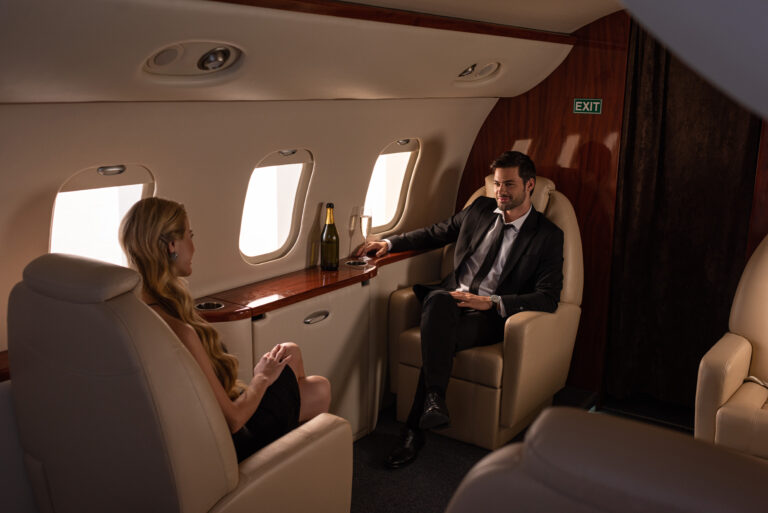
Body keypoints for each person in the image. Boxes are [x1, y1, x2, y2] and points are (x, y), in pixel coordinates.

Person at [358, 151, 564, 468]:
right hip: (450, 302)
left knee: (437, 336)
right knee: (440, 299)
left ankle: (414, 430)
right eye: (496, 184)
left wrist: (491, 302)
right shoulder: (479, 209)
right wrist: (389, 243)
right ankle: (433, 401)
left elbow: (548, 297)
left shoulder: (547, 236)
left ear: (530, 185)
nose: (501, 192)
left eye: (509, 184)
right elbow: (435, 232)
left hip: (489, 317)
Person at [120, 197, 331, 462]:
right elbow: (232, 420)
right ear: (172, 245)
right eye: (190, 236)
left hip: (203, 426)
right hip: (232, 436)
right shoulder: (181, 332)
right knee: (319, 388)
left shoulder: (136, 312)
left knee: (290, 351)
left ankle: (290, 457)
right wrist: (261, 378)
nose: (193, 247)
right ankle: (289, 467)